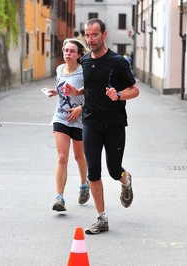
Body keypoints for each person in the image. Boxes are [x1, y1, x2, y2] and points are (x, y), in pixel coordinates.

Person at [64, 18, 140, 234]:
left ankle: (126, 182)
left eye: (94, 35)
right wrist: (76, 92)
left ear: (104, 35)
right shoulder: (85, 61)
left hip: (114, 123)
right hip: (90, 123)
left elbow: (134, 90)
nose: (90, 39)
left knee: (114, 170)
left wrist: (118, 95)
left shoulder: (117, 62)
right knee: (93, 172)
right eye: (87, 35)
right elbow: (90, 89)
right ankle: (101, 218)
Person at [46, 38, 89, 212]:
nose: (68, 54)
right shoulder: (59, 70)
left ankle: (84, 184)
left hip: (79, 118)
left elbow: (93, 94)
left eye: (72, 51)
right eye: (65, 50)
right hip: (61, 116)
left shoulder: (84, 71)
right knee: (62, 157)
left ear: (79, 54)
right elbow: (64, 89)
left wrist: (80, 108)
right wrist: (55, 91)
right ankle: (59, 197)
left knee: (79, 156)